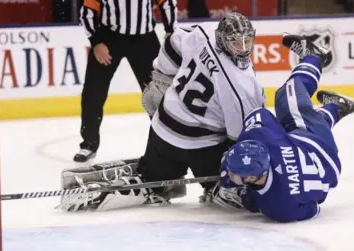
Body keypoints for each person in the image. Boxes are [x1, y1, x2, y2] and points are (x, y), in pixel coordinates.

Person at [57, 12, 266, 211]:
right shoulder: (245, 86)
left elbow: (173, 43)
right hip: (202, 149)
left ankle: (148, 179)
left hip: (163, 129)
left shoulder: (205, 32)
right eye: (236, 42)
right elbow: (239, 140)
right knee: (236, 185)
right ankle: (214, 189)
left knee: (150, 180)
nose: (243, 47)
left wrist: (163, 75)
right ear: (222, 39)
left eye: (247, 41)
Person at [212, 34, 354, 222]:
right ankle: (314, 57)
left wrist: (250, 196)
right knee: (286, 95)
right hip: (313, 144)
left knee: (303, 121)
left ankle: (337, 107)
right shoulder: (270, 144)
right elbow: (261, 115)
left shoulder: (277, 208)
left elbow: (313, 207)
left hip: (328, 171)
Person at [74, 0, 178, 164]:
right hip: (109, 38)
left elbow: (167, 3)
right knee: (93, 92)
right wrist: (96, 42)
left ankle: (167, 145)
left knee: (158, 94)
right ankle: (89, 144)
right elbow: (88, 11)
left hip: (144, 39)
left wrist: (171, 31)